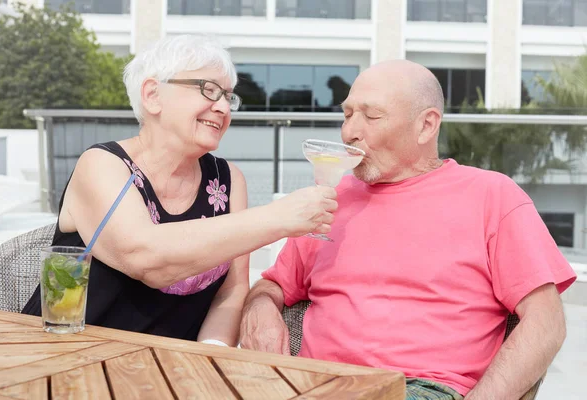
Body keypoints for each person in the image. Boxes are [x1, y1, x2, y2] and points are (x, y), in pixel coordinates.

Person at [239, 60, 577, 399]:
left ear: (426, 125)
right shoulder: (329, 202)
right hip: (314, 384)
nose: (349, 132)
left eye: (371, 117)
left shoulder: (491, 196)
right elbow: (274, 284)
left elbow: (545, 323)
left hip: (418, 388)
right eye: (347, 115)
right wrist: (260, 308)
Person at [22, 34, 337, 347]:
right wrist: (277, 218)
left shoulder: (228, 180)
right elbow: (146, 258)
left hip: (169, 371)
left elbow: (232, 289)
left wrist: (210, 356)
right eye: (209, 90)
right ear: (153, 95)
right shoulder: (102, 164)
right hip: (65, 354)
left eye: (228, 96)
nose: (223, 108)